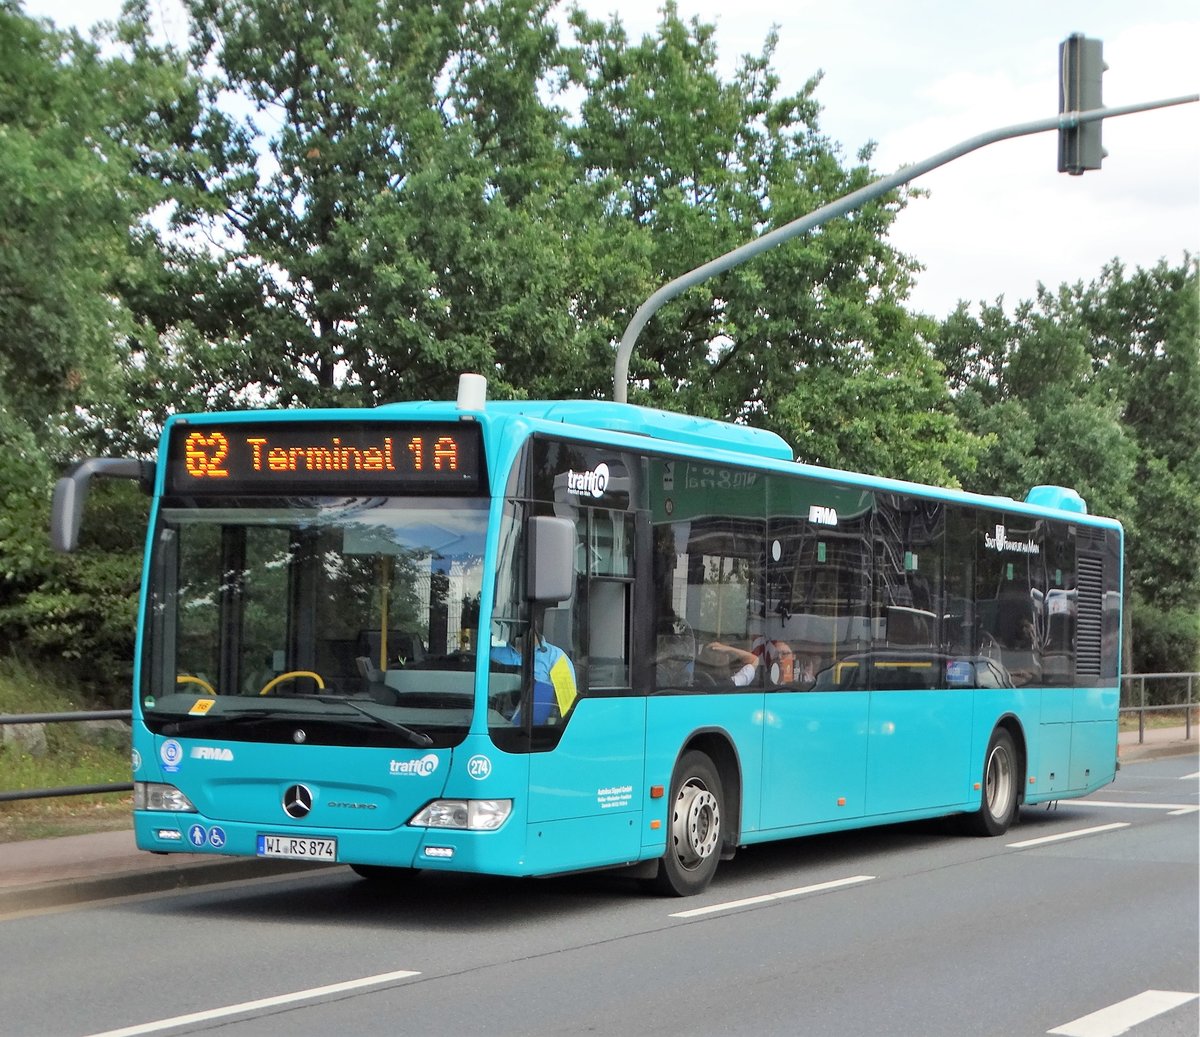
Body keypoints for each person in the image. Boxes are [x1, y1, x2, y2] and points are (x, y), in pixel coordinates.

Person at [491, 626, 577, 724]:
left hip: (536, 730)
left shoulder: (557, 658)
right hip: (493, 723)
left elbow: (567, 707)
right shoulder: (494, 653)